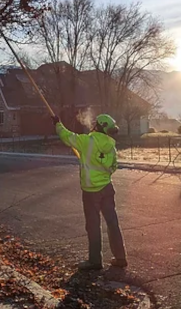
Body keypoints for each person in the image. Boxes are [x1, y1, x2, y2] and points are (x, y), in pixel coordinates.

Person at [53, 112, 128, 270]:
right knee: (112, 223)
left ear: (98, 126)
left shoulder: (87, 141)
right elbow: (113, 167)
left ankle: (95, 261)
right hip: (107, 188)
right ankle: (120, 257)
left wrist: (57, 124)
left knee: (93, 225)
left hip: (90, 190)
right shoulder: (111, 146)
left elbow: (67, 137)